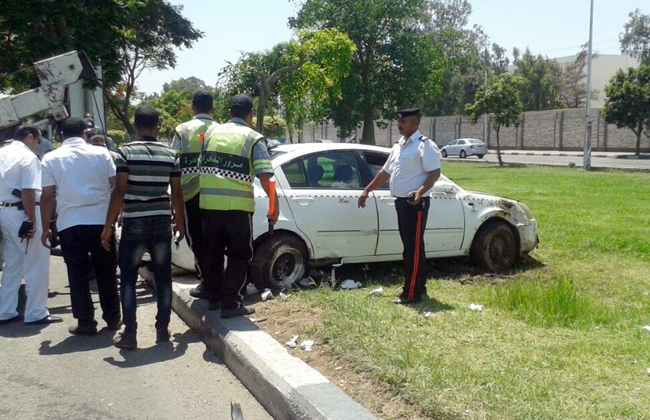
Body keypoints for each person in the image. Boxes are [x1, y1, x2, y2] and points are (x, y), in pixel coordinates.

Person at [101, 105, 185, 349]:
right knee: (164, 278)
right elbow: (176, 192)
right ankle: (162, 330)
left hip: (135, 222)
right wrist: (179, 221)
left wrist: (108, 225)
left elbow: (120, 190)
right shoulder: (171, 154)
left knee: (127, 279)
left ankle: (130, 334)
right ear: (157, 126)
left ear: (136, 125)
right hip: (161, 221)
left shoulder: (125, 152)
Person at [199, 94, 278, 317]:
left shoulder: (210, 133)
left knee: (212, 253)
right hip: (237, 209)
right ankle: (231, 304)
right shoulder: (253, 137)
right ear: (250, 114)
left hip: (208, 206)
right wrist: (274, 207)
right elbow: (266, 177)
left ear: (229, 112)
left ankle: (213, 299)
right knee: (240, 255)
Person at [41, 117, 121, 335]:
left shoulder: (50, 158)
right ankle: (113, 318)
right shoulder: (102, 153)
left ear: (61, 136)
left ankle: (86, 322)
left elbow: (47, 197)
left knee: (76, 274)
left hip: (69, 224)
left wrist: (45, 227)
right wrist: (115, 217)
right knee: (106, 270)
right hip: (100, 222)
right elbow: (115, 187)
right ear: (85, 133)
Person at [358, 108, 440, 304]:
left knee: (413, 249)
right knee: (411, 247)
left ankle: (411, 293)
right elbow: (385, 173)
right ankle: (419, 288)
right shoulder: (399, 146)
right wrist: (367, 190)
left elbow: (434, 173)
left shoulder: (424, 146)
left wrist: (419, 192)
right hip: (401, 202)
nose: (399, 125)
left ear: (414, 123)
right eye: (399, 121)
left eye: (402, 122)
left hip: (415, 203)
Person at [0, 125, 62, 325]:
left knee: (13, 262)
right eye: (38, 140)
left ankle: (6, 311)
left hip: (5, 211)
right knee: (36, 262)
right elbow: (28, 191)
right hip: (23, 212)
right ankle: (36, 312)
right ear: (29, 138)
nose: (38, 145)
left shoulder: (2, 153)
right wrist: (33, 221)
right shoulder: (27, 157)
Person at [171, 90, 218, 300]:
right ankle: (214, 281)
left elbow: (174, 162)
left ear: (192, 108)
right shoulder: (220, 129)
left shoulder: (182, 130)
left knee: (197, 240)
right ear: (212, 108)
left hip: (189, 194)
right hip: (215, 192)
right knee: (216, 241)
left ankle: (207, 282)